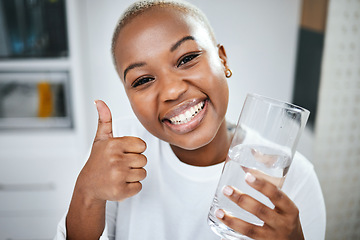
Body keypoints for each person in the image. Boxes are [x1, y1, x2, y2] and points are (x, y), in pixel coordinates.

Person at [55, 0, 326, 239]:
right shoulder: (118, 150)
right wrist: (87, 192)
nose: (172, 90)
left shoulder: (293, 177)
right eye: (143, 80)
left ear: (222, 59)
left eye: (187, 59)